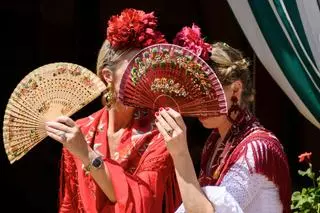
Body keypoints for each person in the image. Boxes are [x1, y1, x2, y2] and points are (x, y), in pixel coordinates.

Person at [45, 8, 181, 213]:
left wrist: (87, 155)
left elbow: (142, 202)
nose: (144, 77)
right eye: (135, 68)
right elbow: (70, 205)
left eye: (148, 68)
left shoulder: (161, 132)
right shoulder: (80, 131)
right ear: (108, 75)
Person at [155, 25, 291, 213]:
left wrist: (180, 154)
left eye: (206, 95)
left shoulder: (256, 148)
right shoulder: (215, 141)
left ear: (235, 89)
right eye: (192, 96)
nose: (197, 105)